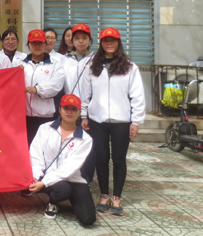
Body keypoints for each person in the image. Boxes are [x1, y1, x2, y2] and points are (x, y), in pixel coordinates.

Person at [80, 27, 146, 216]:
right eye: (105, 40)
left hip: (121, 121)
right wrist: (84, 115)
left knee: (119, 160)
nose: (109, 44)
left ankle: (116, 197)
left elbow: (137, 95)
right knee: (101, 158)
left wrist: (136, 121)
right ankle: (103, 195)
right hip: (97, 120)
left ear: (118, 43)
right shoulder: (92, 67)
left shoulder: (130, 67)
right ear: (101, 43)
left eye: (113, 40)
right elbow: (85, 94)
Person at [28, 94, 96, 225]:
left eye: (74, 109)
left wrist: (44, 183)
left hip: (73, 179)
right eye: (66, 108)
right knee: (63, 189)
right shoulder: (45, 128)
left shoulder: (86, 139)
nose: (70, 112)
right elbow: (36, 154)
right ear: (60, 109)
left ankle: (69, 196)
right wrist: (36, 176)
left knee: (88, 219)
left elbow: (69, 167)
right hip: (47, 176)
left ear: (79, 113)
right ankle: (53, 203)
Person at [15, 29, 65, 146]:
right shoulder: (20, 64)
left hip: (46, 116)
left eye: (40, 43)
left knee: (46, 147)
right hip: (24, 116)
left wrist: (38, 89)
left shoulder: (55, 64)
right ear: (28, 44)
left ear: (45, 44)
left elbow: (56, 84)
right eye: (34, 43)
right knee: (27, 146)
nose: (37, 46)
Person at [63, 24, 95, 98]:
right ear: (72, 40)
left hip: (89, 103)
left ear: (90, 39)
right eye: (77, 38)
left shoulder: (95, 59)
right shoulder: (65, 59)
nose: (81, 41)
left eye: (84, 38)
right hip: (69, 102)